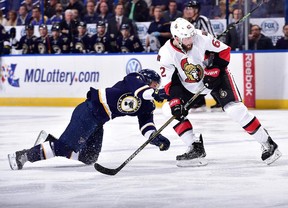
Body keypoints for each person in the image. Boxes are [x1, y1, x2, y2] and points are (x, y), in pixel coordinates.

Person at [157, 17, 281, 167]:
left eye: (191, 36)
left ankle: (268, 143)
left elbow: (224, 51)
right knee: (169, 110)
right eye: (186, 38)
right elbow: (171, 83)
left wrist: (214, 70)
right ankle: (195, 147)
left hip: (216, 77)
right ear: (176, 37)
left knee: (235, 110)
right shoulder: (165, 53)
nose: (190, 40)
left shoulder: (200, 36)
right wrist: (176, 104)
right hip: (188, 85)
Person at [8, 69, 170, 170]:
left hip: (99, 120)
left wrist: (156, 138)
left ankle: (49, 142)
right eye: (154, 84)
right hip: (89, 110)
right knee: (64, 147)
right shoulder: (134, 78)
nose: (155, 87)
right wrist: (156, 93)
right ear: (147, 80)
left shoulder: (148, 106)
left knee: (89, 157)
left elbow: (146, 126)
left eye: (157, 85)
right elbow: (140, 92)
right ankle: (23, 156)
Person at [182, 0, 220, 111]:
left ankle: (220, 101)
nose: (188, 11)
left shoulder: (203, 20)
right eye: (187, 8)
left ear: (197, 10)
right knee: (197, 77)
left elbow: (211, 36)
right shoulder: (189, 24)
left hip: (208, 54)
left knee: (210, 78)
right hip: (197, 55)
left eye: (191, 8)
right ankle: (200, 102)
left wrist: (211, 53)